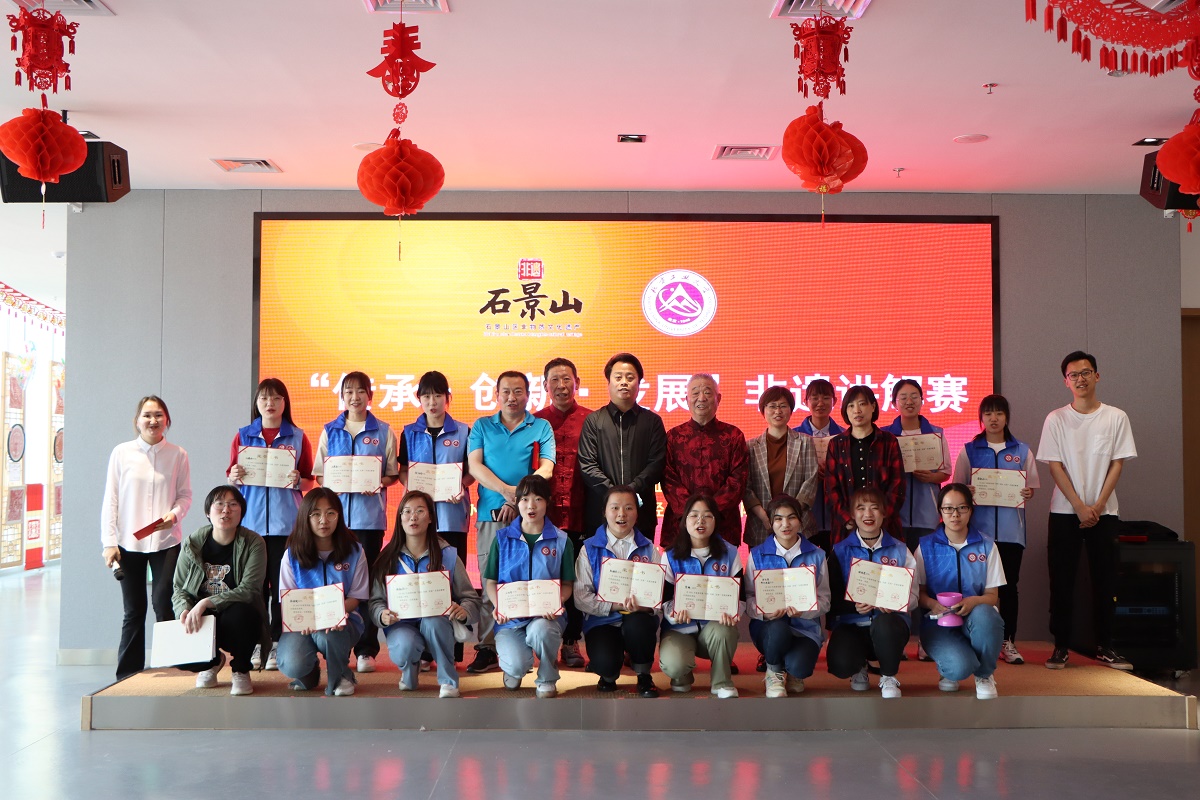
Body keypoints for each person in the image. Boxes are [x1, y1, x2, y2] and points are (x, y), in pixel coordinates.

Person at [1037, 351, 1137, 671]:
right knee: (1061, 580)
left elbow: (1117, 463)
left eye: (1085, 372)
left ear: (1097, 375)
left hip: (1104, 513)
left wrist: (1097, 506)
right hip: (1065, 511)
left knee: (1106, 580)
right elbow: (1055, 466)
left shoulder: (1116, 417)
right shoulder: (1056, 419)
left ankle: (1106, 646)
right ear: (1065, 382)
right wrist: (1079, 507)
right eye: (1073, 375)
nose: (1080, 379)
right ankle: (1061, 646)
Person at [465, 370, 556, 674]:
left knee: (528, 578)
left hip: (530, 516)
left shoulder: (540, 426)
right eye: (506, 391)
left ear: (528, 395)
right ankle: (487, 647)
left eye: (518, 391)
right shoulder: (482, 426)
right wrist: (508, 493)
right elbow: (475, 466)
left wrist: (519, 500)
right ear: (496, 394)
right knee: (490, 579)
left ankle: (526, 643)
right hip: (491, 515)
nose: (512, 397)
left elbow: (546, 468)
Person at [312, 371, 400, 674]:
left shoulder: (384, 431)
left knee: (367, 584)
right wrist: (333, 485)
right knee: (333, 582)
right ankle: (334, 645)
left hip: (368, 519)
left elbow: (392, 474)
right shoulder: (330, 430)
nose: (354, 397)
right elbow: (319, 475)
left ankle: (366, 649)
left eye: (360, 391)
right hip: (332, 521)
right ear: (342, 396)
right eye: (349, 391)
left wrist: (376, 481)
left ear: (369, 396)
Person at [102, 395, 193, 680]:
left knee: (164, 602)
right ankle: (128, 674)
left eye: (158, 415)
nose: (153, 420)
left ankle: (174, 665)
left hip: (166, 542)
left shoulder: (178, 454)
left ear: (167, 420)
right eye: (147, 415)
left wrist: (174, 516)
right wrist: (109, 542)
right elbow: (111, 500)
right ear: (137, 420)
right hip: (128, 543)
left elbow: (185, 495)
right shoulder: (121, 453)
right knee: (134, 609)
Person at [227, 378, 314, 671]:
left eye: (276, 398)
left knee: (281, 588)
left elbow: (309, 480)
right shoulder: (243, 435)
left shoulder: (298, 436)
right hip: (251, 526)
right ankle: (256, 642)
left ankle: (277, 642)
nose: (270, 403)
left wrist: (298, 480)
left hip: (285, 526)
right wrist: (233, 476)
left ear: (285, 403)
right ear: (257, 403)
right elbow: (232, 477)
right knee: (253, 589)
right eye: (264, 398)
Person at [952, 394, 1039, 665]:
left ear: (1006, 417)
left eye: (999, 413)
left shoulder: (1022, 450)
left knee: (1009, 588)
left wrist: (1028, 492)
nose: (993, 418)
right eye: (988, 413)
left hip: (1012, 533)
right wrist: (967, 490)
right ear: (981, 418)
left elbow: (1031, 488)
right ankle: (970, 637)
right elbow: (957, 489)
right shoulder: (970, 450)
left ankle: (1007, 641)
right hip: (978, 534)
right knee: (975, 588)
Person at [369, 491, 480, 698]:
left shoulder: (448, 555)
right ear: (399, 517)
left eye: (420, 511)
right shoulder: (387, 558)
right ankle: (410, 669)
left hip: (438, 624)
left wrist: (464, 610)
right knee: (404, 645)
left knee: (433, 622)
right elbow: (376, 601)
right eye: (407, 511)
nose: (413, 517)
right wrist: (381, 615)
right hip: (402, 625)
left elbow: (470, 597)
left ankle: (448, 680)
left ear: (430, 517)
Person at [400, 370, 475, 667]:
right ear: (419, 399)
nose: (432, 402)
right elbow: (403, 469)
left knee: (452, 581)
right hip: (419, 521)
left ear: (448, 398)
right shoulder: (409, 432)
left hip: (452, 516)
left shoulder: (464, 431)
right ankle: (425, 652)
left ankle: (452, 651)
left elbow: (470, 470)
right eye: (426, 396)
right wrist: (411, 487)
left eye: (438, 395)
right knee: (423, 580)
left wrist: (461, 485)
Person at [171, 485, 271, 696]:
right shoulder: (192, 543)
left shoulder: (254, 542)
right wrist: (185, 611)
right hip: (203, 617)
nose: (226, 510)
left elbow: (250, 589)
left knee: (243, 613)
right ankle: (212, 662)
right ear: (208, 512)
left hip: (236, 615)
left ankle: (241, 669)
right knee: (179, 649)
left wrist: (206, 602)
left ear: (241, 513)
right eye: (220, 504)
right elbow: (179, 588)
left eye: (233, 505)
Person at [484, 475, 575, 697]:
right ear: (516, 502)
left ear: (548, 502)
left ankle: (547, 677)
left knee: (542, 630)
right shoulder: (502, 538)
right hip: (511, 619)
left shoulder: (562, 540)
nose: (531, 506)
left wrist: (556, 603)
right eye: (524, 499)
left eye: (538, 499)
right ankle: (514, 668)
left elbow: (567, 584)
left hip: (546, 617)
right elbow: (491, 582)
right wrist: (499, 605)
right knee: (516, 665)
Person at [916, 484, 1006, 699]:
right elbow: (918, 594)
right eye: (948, 508)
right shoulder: (925, 546)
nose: (955, 514)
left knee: (987, 614)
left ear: (970, 510)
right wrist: (933, 604)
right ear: (940, 511)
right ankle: (950, 667)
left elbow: (992, 596)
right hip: (938, 623)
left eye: (962, 508)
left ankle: (984, 674)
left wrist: (973, 602)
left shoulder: (987, 546)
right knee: (959, 667)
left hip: (975, 619)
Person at [275, 488, 368, 696]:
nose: (323, 520)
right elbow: (288, 599)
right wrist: (306, 618)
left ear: (339, 516)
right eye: (315, 514)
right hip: (303, 623)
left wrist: (333, 614)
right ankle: (309, 673)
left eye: (330, 513)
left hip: (343, 621)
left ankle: (341, 676)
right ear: (305, 517)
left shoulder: (355, 551)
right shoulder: (292, 555)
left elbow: (357, 596)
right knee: (291, 663)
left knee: (331, 634)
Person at [826, 487, 916, 698]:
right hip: (852, 624)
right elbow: (831, 598)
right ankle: (859, 666)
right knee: (840, 663)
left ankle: (888, 675)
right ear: (852, 513)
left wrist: (895, 603)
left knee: (885, 624)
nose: (868, 514)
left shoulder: (900, 550)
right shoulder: (840, 550)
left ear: (884, 513)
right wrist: (853, 606)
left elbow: (913, 596)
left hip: (889, 624)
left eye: (874, 508)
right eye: (861, 508)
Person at [573, 485, 662, 697]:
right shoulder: (588, 549)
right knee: (605, 664)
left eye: (629, 508)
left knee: (638, 625)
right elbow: (581, 597)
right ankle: (608, 675)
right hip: (602, 621)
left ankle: (643, 674)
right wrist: (614, 606)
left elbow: (658, 599)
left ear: (637, 513)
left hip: (637, 618)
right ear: (604, 512)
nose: (622, 514)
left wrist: (643, 607)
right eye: (615, 508)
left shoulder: (650, 548)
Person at [534, 357, 592, 669]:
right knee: (547, 576)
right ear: (545, 385)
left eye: (567, 379)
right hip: (544, 516)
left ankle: (571, 641)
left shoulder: (593, 420)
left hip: (583, 514)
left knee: (577, 579)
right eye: (554, 380)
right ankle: (545, 640)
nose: (561, 385)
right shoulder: (535, 421)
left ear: (577, 383)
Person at [745, 495, 830, 697]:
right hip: (769, 627)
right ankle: (773, 671)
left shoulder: (817, 555)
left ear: (800, 520)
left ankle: (792, 671)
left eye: (791, 517)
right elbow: (748, 597)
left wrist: (805, 611)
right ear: (770, 522)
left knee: (800, 667)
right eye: (778, 519)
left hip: (805, 628)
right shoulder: (757, 554)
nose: (785, 524)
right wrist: (764, 613)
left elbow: (825, 600)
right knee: (778, 629)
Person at [659, 495, 743, 698]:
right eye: (694, 515)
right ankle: (682, 675)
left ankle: (721, 682)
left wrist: (733, 613)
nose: (700, 521)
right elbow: (665, 599)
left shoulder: (731, 553)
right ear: (684, 520)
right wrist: (674, 613)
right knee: (674, 665)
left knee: (725, 630)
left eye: (707, 516)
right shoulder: (670, 555)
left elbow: (740, 598)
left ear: (716, 521)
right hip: (679, 629)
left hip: (714, 629)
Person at [577, 353, 667, 541]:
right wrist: (615, 498)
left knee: (642, 559)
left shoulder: (652, 422)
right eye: (618, 377)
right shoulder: (594, 421)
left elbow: (656, 464)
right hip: (601, 515)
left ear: (639, 383)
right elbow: (587, 465)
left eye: (630, 377)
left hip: (641, 515)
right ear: (608, 383)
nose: (624, 382)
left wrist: (630, 494)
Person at [662, 374, 749, 546]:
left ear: (718, 398)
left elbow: (738, 480)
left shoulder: (733, 436)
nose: (701, 398)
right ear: (686, 399)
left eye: (708, 392)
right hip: (680, 524)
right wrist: (692, 513)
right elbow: (668, 478)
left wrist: (710, 512)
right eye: (695, 393)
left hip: (723, 525)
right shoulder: (673, 437)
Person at [824, 385, 905, 544]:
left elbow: (898, 486)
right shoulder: (836, 444)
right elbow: (830, 490)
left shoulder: (889, 442)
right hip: (846, 530)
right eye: (851, 406)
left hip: (885, 528)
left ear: (873, 406)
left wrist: (879, 518)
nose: (857, 410)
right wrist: (848, 520)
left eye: (862, 404)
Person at [744, 385, 819, 547]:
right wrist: (764, 516)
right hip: (761, 526)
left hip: (799, 525)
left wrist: (790, 516)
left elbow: (811, 480)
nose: (778, 411)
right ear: (763, 410)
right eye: (772, 406)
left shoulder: (805, 442)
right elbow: (746, 487)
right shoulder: (750, 447)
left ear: (791, 410)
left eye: (783, 406)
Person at [882, 379, 951, 551]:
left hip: (927, 513)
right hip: (893, 513)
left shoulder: (936, 433)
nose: (909, 402)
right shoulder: (884, 435)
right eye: (903, 397)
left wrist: (931, 477)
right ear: (894, 403)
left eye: (914, 397)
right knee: (897, 562)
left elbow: (946, 471)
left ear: (922, 400)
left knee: (926, 561)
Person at [794, 379, 844, 552]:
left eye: (826, 398)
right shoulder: (794, 437)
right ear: (805, 401)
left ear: (834, 401)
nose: (820, 403)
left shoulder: (844, 436)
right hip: (804, 518)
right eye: (814, 398)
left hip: (837, 518)